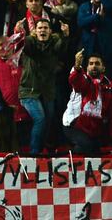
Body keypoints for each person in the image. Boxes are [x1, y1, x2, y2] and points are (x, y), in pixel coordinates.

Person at [16, 18, 70, 154]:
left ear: (50, 31)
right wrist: (20, 32)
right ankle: (34, 153)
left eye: (45, 28)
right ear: (35, 31)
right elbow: (27, 47)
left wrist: (65, 36)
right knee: (40, 119)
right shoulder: (30, 42)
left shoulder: (54, 44)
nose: (42, 30)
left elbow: (62, 49)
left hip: (47, 91)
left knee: (49, 121)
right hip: (29, 91)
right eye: (40, 28)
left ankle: (42, 149)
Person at [64, 50, 112, 154]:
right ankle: (70, 151)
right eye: (91, 64)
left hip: (94, 127)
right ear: (86, 68)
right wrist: (77, 66)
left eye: (97, 64)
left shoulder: (109, 86)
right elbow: (75, 81)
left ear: (103, 68)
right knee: (86, 147)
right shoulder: (83, 80)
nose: (94, 66)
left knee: (97, 149)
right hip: (74, 124)